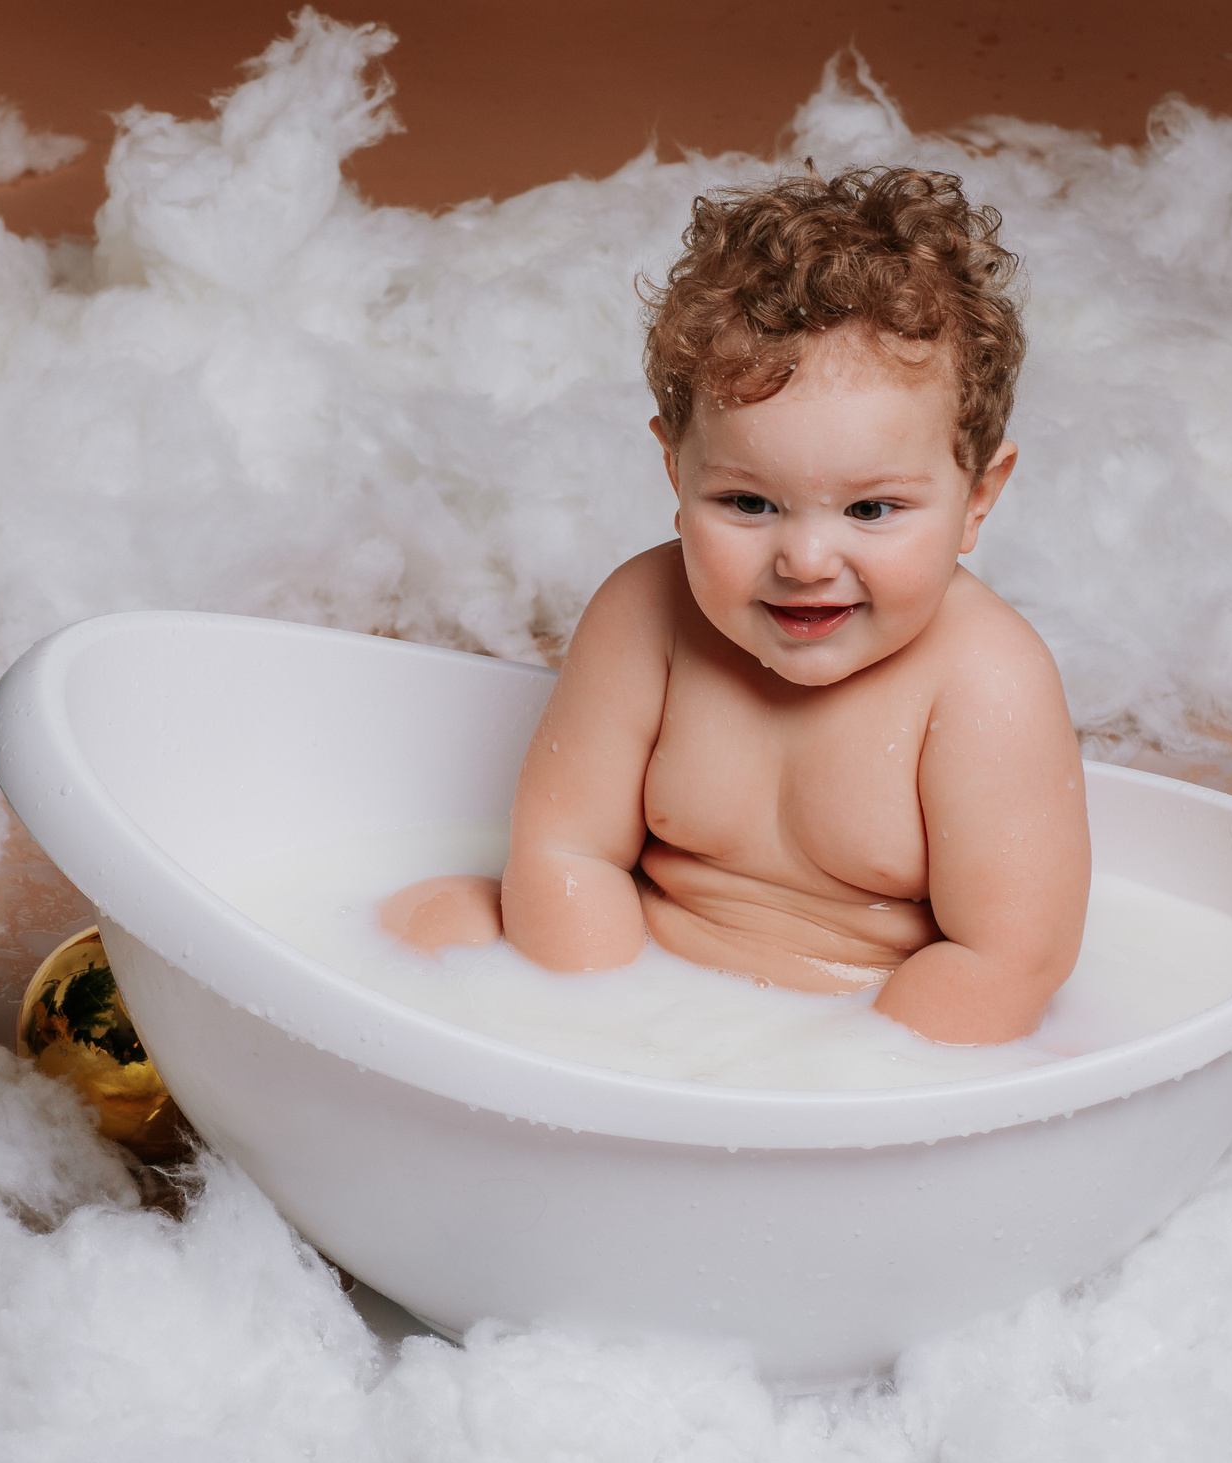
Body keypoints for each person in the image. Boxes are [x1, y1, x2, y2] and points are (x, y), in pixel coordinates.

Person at [380, 165, 1088, 1046]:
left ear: (979, 498)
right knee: (428, 916)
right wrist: (600, 1031)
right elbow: (567, 852)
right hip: (641, 969)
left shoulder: (986, 681)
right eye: (749, 504)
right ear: (677, 473)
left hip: (864, 1016)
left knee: (1050, 1039)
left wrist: (830, 1085)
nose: (805, 559)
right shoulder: (646, 613)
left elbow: (1006, 962)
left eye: (872, 509)